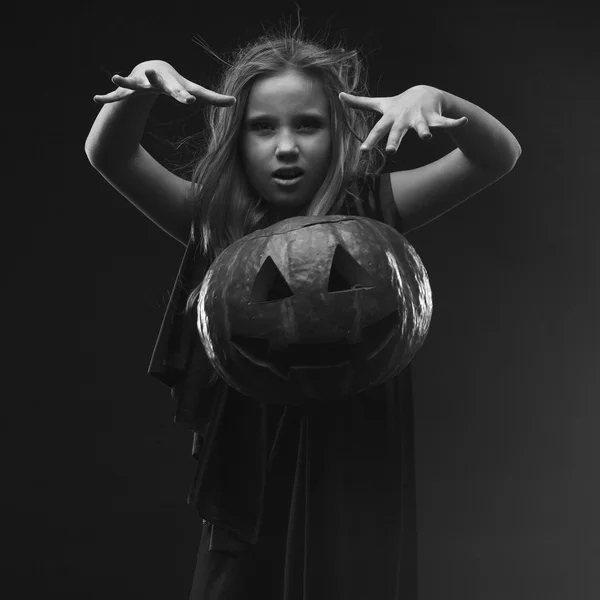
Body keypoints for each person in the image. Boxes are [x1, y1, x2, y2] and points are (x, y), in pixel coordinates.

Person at [85, 21, 521, 600]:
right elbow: (109, 155)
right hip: (250, 463)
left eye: (308, 125)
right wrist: (140, 86)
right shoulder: (215, 219)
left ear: (339, 133)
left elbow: (498, 157)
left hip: (354, 456)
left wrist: (436, 99)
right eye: (263, 127)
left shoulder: (374, 207)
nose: (286, 146)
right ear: (236, 138)